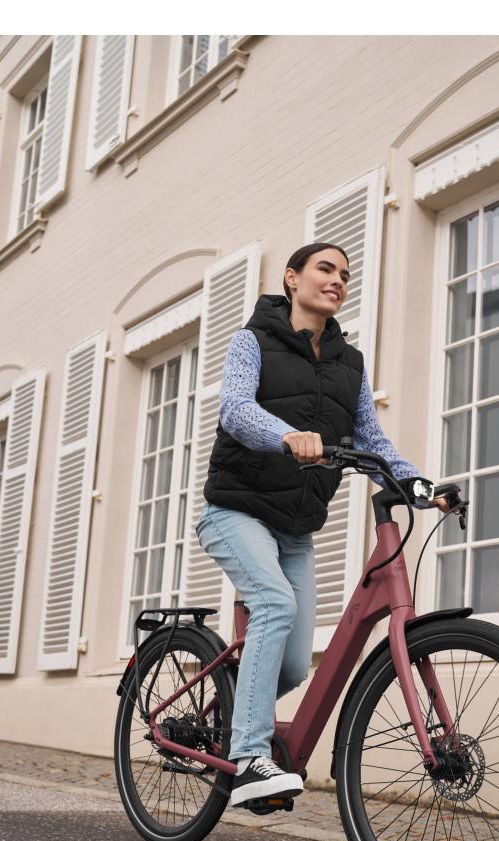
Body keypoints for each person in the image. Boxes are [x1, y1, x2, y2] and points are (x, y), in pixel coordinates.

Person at [193, 242, 452, 808]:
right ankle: (249, 759)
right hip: (234, 510)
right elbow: (235, 409)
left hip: (295, 528)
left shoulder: (349, 364)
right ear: (292, 278)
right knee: (275, 605)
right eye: (325, 269)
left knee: (291, 664)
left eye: (345, 275)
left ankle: (227, 719)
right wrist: (285, 435)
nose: (337, 280)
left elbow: (371, 440)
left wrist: (418, 485)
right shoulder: (251, 340)